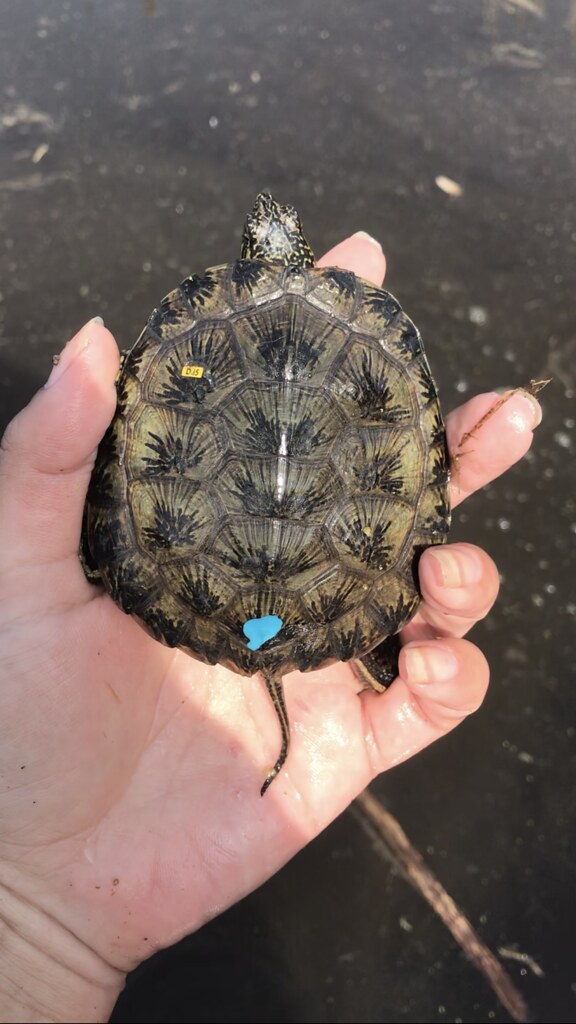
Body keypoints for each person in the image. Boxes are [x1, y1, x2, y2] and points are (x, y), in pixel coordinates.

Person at [0, 231, 541, 1023]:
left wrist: (32, 929)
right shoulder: (367, 329)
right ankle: (364, 648)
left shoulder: (196, 328)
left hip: (188, 584)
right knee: (418, 591)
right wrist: (32, 921)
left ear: (257, 246)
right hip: (323, 600)